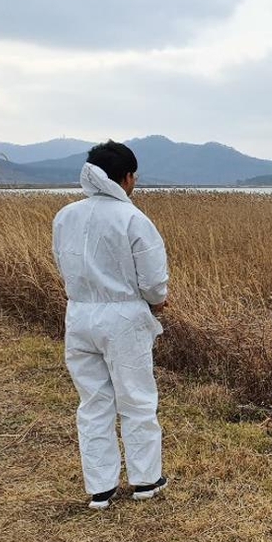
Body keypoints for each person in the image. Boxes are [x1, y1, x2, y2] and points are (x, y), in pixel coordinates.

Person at [51, 140, 170, 510]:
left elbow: (62, 263)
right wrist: (157, 301)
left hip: (80, 314)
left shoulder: (65, 216)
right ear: (128, 177)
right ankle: (146, 480)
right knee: (136, 397)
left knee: (93, 401)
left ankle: (100, 488)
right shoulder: (132, 218)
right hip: (123, 316)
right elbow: (153, 282)